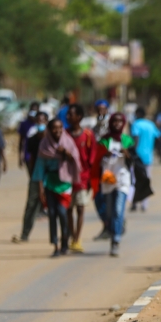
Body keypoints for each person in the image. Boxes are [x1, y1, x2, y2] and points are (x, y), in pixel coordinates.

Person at [33, 119, 81, 257]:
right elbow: (40, 167)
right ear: (49, 129)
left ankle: (65, 240)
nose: (57, 131)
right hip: (50, 182)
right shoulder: (44, 145)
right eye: (54, 128)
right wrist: (40, 187)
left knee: (62, 212)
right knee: (52, 214)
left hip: (65, 182)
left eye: (60, 128)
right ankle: (55, 244)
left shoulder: (68, 142)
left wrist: (65, 152)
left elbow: (75, 161)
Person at [98, 113, 135, 257]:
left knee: (118, 210)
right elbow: (96, 158)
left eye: (120, 121)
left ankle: (115, 241)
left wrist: (127, 155)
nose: (117, 124)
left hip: (122, 179)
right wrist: (104, 155)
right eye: (115, 121)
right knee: (109, 212)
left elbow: (134, 160)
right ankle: (116, 228)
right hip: (107, 178)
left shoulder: (127, 140)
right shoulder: (105, 140)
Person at [13, 112, 49, 243]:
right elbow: (32, 158)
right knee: (31, 205)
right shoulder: (32, 139)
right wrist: (33, 175)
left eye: (43, 120)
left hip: (51, 175)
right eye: (38, 121)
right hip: (37, 175)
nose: (40, 123)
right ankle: (25, 233)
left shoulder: (51, 138)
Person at [66, 104, 96, 253]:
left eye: (71, 114)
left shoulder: (88, 135)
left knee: (80, 208)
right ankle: (72, 236)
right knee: (68, 209)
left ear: (79, 117)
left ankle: (77, 238)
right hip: (66, 177)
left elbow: (92, 159)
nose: (68, 117)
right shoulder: (64, 134)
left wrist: (90, 179)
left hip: (83, 178)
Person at [130, 106, 161, 211]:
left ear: (137, 114)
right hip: (148, 157)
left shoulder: (136, 124)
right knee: (146, 179)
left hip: (137, 156)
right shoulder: (151, 125)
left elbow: (136, 139)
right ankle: (144, 205)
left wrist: (132, 151)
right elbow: (158, 137)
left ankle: (134, 203)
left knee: (134, 179)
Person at [18, 102, 39, 173]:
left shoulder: (41, 124)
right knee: (32, 176)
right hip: (28, 155)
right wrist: (20, 157)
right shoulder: (24, 124)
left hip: (40, 155)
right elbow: (21, 141)